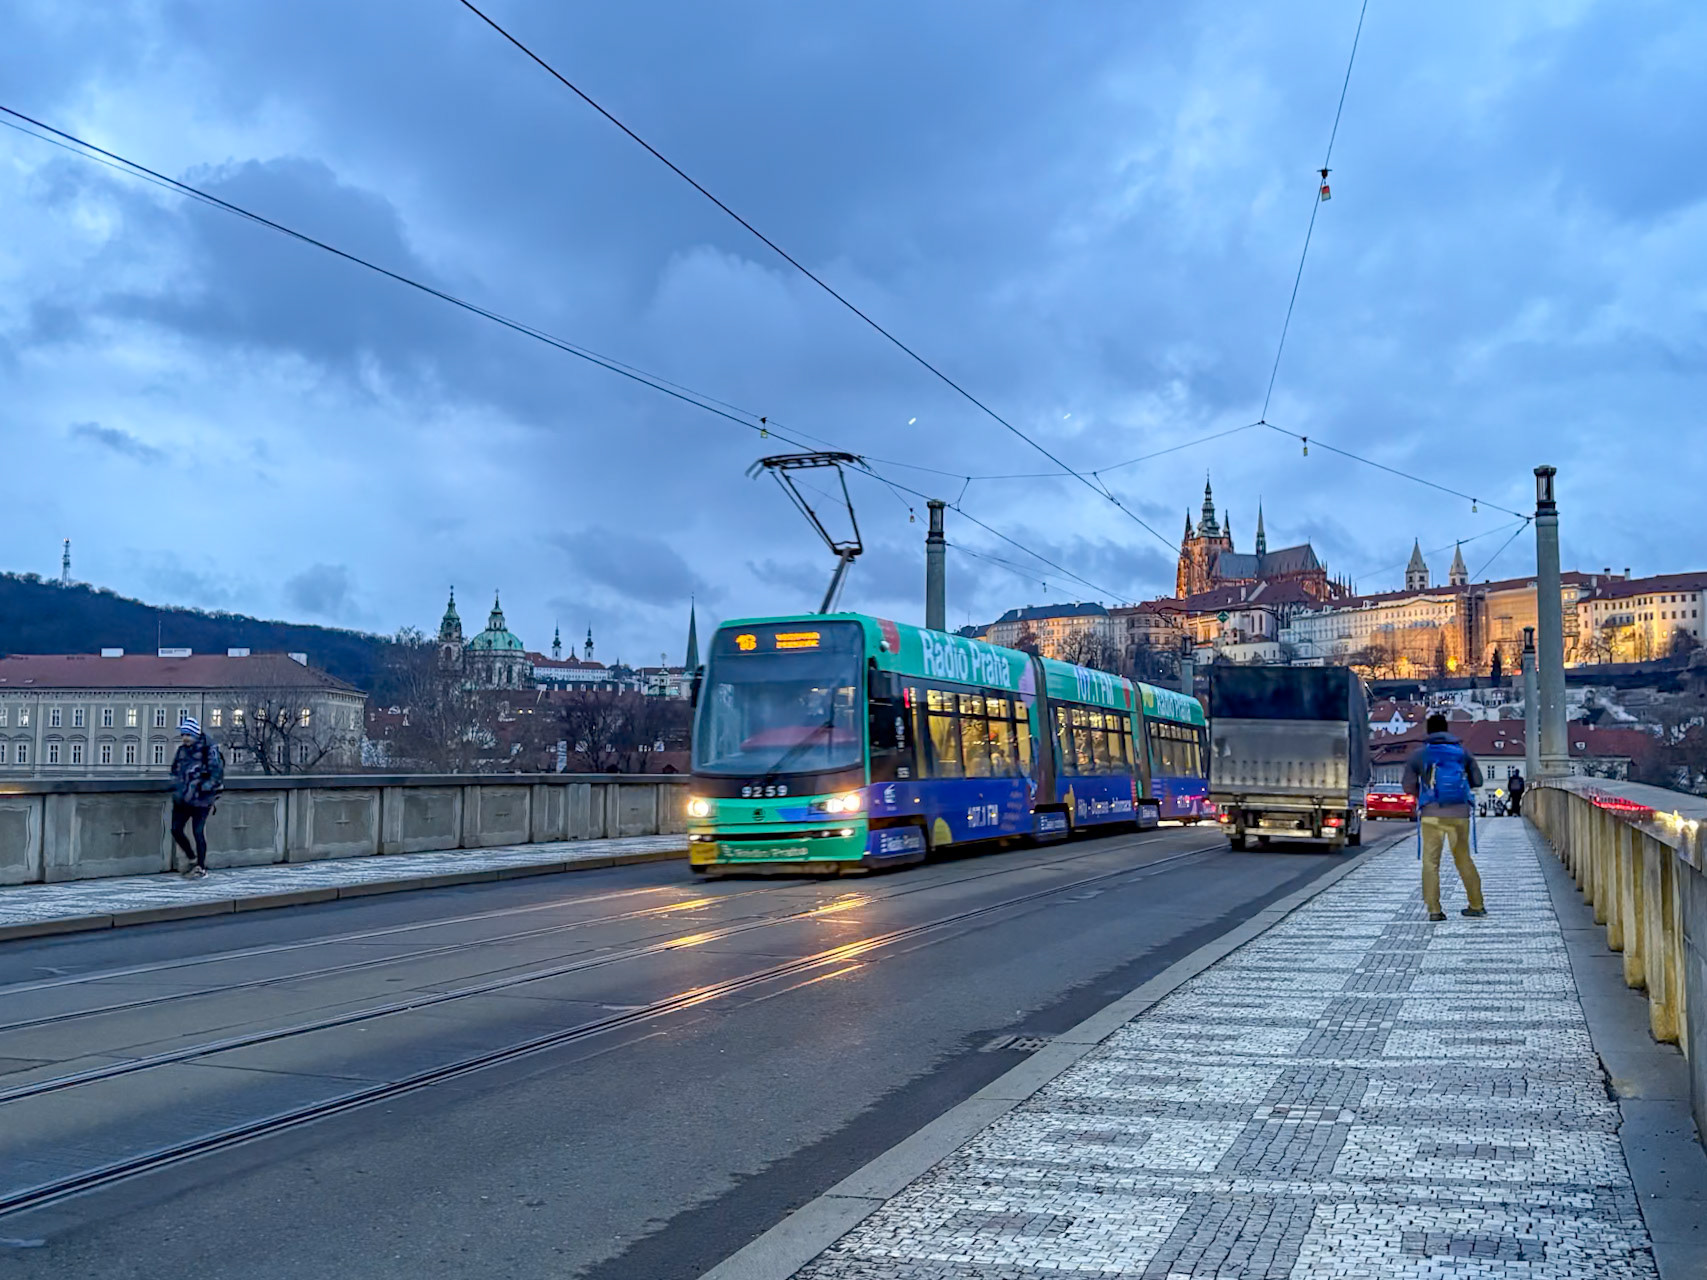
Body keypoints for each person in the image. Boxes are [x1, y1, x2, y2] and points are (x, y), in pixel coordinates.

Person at [1403, 713, 1487, 922]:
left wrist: (1424, 795)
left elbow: (1407, 785)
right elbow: (1478, 781)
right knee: (1463, 858)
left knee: (1431, 862)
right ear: (1447, 729)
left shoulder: (1419, 754)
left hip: (1431, 815)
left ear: (1428, 731)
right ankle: (1476, 905)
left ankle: (1434, 910)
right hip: (1460, 816)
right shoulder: (1462, 753)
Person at [170, 717, 225, 879]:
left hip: (202, 799)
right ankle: (191, 857)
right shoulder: (181, 751)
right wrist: (177, 786)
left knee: (198, 831)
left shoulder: (209, 749)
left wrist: (202, 787)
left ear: (195, 734)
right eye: (183, 735)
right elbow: (175, 770)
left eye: (188, 735)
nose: (185, 738)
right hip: (183, 797)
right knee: (175, 829)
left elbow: (216, 773)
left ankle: (201, 866)